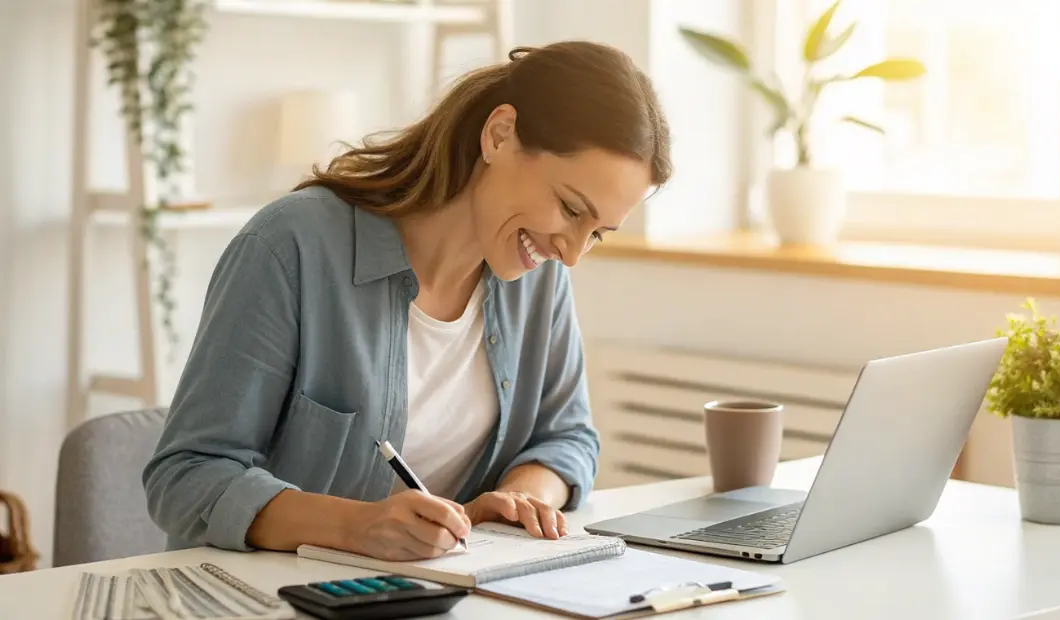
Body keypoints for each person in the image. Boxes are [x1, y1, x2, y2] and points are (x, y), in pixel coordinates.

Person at [141, 40, 672, 563]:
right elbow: (189, 475)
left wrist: (523, 499)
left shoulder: (537, 273)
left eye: (597, 232)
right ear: (500, 134)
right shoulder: (292, 246)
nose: (573, 253)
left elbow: (567, 437)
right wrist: (356, 526)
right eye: (570, 208)